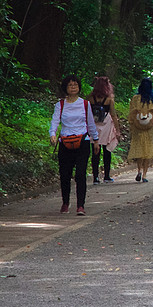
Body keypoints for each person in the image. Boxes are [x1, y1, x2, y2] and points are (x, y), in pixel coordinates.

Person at [49, 75, 99, 215]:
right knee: (64, 174)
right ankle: (65, 203)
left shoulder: (85, 104)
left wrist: (96, 140)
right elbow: (55, 121)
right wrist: (52, 134)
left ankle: (80, 206)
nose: (73, 87)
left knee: (80, 174)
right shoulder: (60, 104)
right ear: (65, 87)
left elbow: (90, 123)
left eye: (75, 85)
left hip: (82, 141)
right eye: (70, 85)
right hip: (65, 142)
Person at [128, 78, 153, 182]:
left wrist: (132, 126)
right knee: (147, 152)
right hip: (151, 129)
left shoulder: (135, 99)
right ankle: (144, 175)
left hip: (138, 128)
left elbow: (131, 115)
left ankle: (138, 170)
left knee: (139, 150)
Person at [89, 75, 119, 184]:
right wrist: (117, 129)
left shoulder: (90, 98)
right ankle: (106, 176)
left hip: (94, 126)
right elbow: (113, 115)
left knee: (95, 152)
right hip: (106, 126)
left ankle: (95, 177)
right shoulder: (109, 99)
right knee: (107, 151)